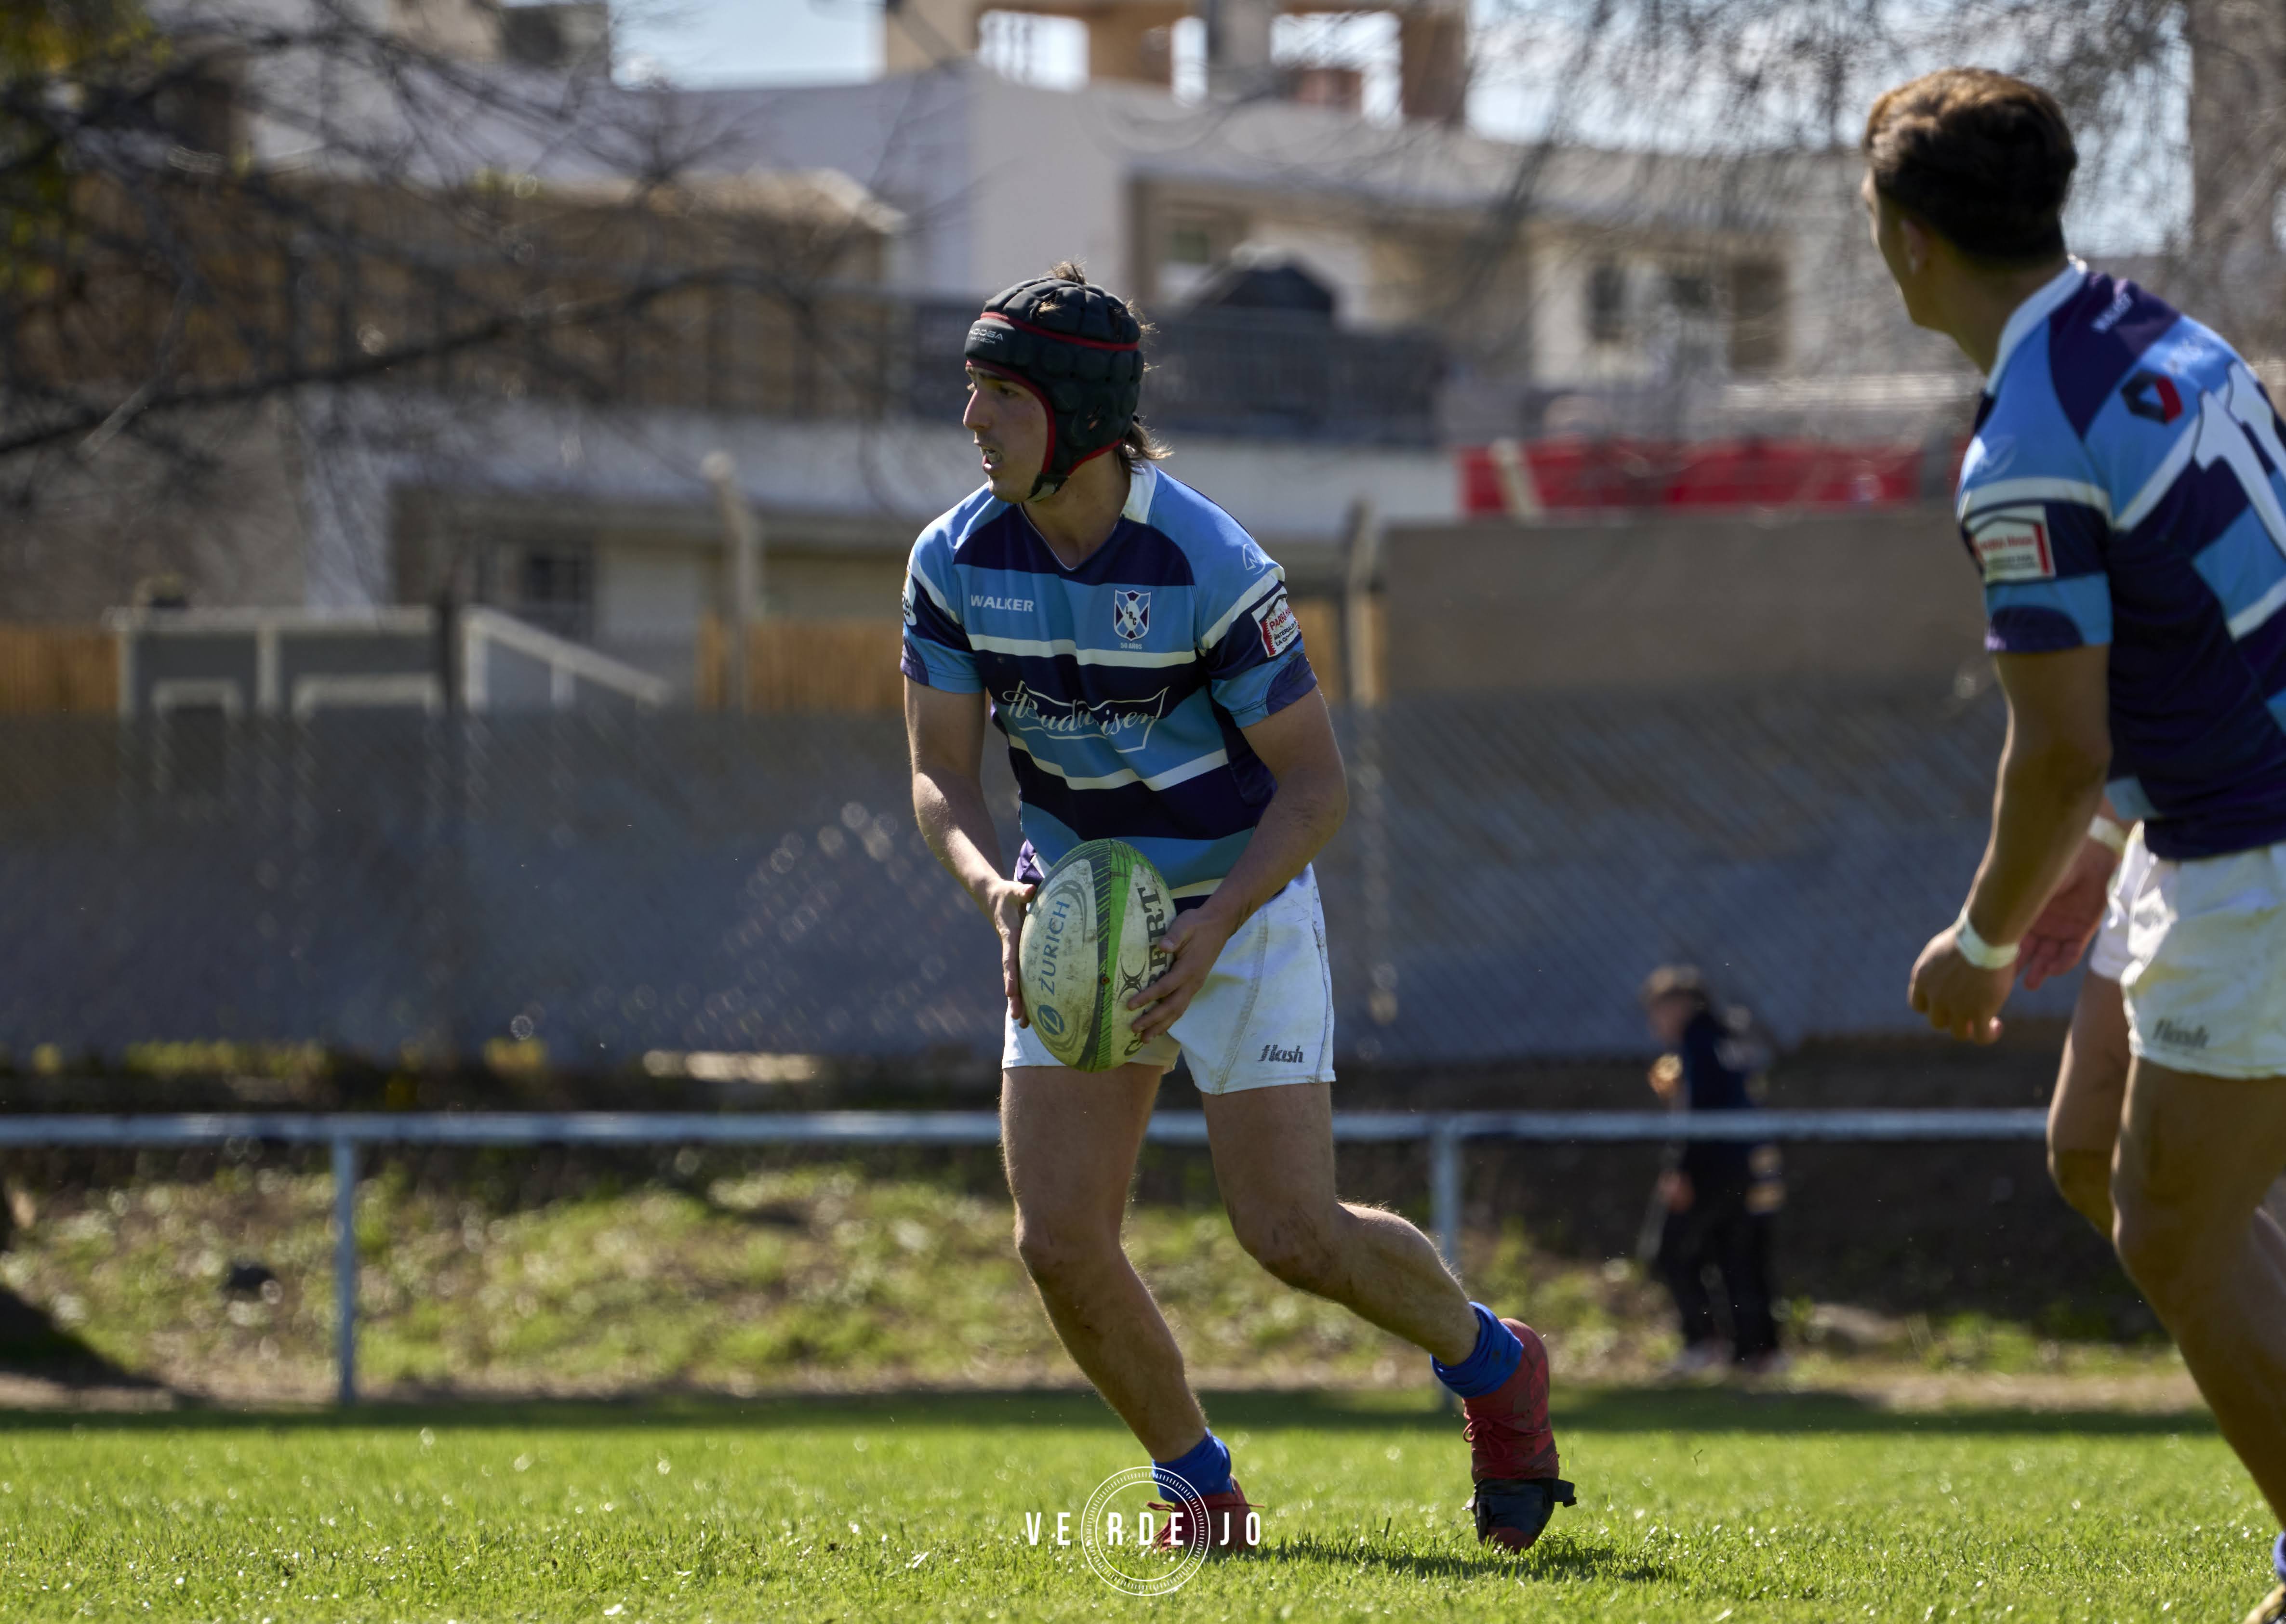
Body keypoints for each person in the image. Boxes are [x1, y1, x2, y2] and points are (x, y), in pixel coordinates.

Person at [900, 263, 1574, 1554]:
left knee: (1290, 1234)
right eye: (970, 390)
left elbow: (1315, 788)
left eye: (998, 393)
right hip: (1074, 917)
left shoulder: (1210, 562)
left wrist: (1210, 929)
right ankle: (1200, 1492)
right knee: (1059, 1240)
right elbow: (939, 770)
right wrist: (1000, 897)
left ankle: (1496, 1368)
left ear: (1078, 414)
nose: (971, 418)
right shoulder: (952, 558)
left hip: (1239, 907)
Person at [1871, 69, 2286, 1623]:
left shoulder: (2026, 444)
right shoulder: (2155, 336)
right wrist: (2112, 844)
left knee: (2172, 1228)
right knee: (2089, 1146)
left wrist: (1978, 945)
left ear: (1905, 241)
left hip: (2258, 849)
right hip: (2206, 828)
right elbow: (2206, 619)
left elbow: (2056, 747)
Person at [1640, 967, 1786, 1377]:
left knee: (1672, 1250)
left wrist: (1680, 1170)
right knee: (1739, 1255)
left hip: (1712, 1166)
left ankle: (1703, 1341)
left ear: (1679, 1006)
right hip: (1749, 1163)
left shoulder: (1697, 1041)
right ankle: (1757, 1349)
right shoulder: (1731, 1037)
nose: (1656, 1022)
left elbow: (1699, 1111)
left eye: (1658, 1011)